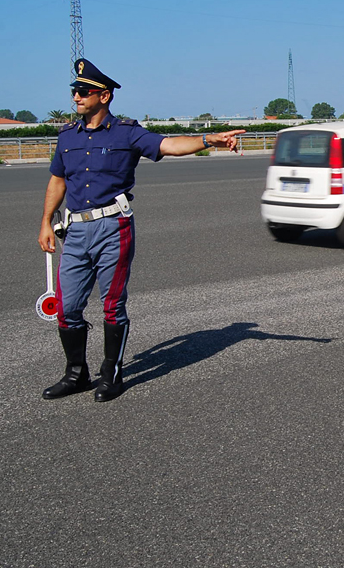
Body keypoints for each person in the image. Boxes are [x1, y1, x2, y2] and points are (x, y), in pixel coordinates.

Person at [38, 58, 245, 403]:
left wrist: (210, 139)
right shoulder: (66, 137)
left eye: (83, 91)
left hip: (112, 227)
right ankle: (76, 373)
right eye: (74, 91)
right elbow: (57, 180)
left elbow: (170, 145)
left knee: (111, 305)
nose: (76, 96)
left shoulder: (127, 133)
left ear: (103, 96)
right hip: (75, 231)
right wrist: (46, 221)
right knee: (67, 306)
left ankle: (112, 373)